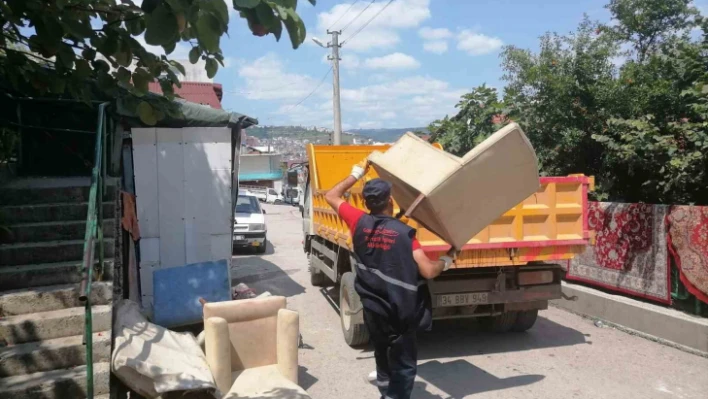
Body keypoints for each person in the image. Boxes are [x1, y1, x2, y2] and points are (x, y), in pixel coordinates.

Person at [324, 159, 456, 399]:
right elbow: (428, 271)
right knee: (404, 365)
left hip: (373, 307)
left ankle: (385, 387)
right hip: (399, 309)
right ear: (390, 201)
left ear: (365, 203)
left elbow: (332, 195)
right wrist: (447, 259)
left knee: (381, 350)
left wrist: (356, 173)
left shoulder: (358, 222)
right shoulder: (405, 234)